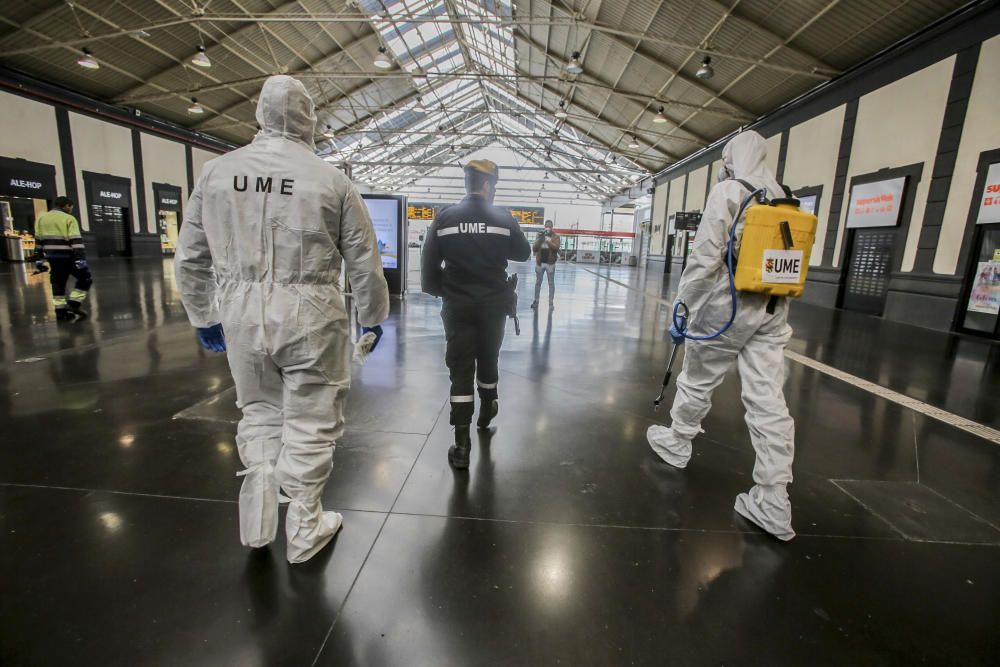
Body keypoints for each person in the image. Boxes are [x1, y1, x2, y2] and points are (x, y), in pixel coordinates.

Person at [174, 75, 389, 564]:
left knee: (259, 411)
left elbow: (189, 257)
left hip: (241, 315)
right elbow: (364, 261)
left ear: (260, 115)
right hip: (312, 313)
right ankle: (306, 527)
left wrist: (204, 315)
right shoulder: (331, 181)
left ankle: (256, 524)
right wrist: (372, 318)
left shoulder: (216, 174)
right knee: (312, 420)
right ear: (308, 119)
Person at [646, 130, 797, 541]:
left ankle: (678, 442)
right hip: (772, 310)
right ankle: (773, 500)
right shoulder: (782, 196)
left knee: (698, 378)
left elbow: (706, 258)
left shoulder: (731, 190)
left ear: (730, 159)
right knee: (768, 400)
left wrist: (683, 307)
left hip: (727, 309)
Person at [421, 159, 531, 469]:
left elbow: (429, 277)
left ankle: (462, 443)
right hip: (494, 305)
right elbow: (522, 253)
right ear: (487, 185)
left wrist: (453, 293)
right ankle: (489, 404)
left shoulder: (444, 219)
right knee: (488, 357)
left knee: (460, 369)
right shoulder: (503, 218)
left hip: (458, 308)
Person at [34, 196, 92, 321]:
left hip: (52, 257)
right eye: (71, 207)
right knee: (85, 278)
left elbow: (38, 241)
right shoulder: (68, 218)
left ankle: (60, 312)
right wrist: (80, 259)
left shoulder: (42, 219)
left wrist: (39, 260)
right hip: (68, 256)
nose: (71, 209)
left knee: (57, 283)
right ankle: (73, 304)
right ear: (66, 206)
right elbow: (76, 240)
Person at [530, 219, 559, 309]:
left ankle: (551, 303)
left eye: (550, 226)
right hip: (540, 263)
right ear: (544, 226)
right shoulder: (540, 235)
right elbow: (534, 248)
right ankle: (536, 301)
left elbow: (556, 248)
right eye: (547, 226)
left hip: (550, 263)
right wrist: (540, 238)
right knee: (538, 283)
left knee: (551, 284)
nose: (548, 228)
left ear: (552, 227)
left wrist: (547, 241)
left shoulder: (556, 236)